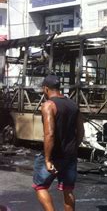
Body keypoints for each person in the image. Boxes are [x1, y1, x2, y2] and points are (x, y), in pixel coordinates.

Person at [33, 75, 84, 211]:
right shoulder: (74, 105)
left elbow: (49, 134)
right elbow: (81, 132)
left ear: (46, 89)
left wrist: (48, 159)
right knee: (67, 190)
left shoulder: (48, 105)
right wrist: (73, 148)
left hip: (54, 155)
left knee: (40, 186)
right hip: (70, 155)